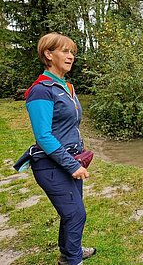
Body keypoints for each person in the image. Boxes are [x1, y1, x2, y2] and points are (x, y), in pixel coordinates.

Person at [24, 32, 96, 265]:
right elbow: (43, 136)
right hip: (51, 165)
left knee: (72, 213)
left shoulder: (66, 87)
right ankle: (73, 261)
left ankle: (68, 254)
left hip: (71, 160)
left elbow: (68, 126)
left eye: (72, 52)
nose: (70, 56)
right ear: (48, 54)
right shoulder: (41, 90)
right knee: (76, 214)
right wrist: (72, 164)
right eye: (64, 51)